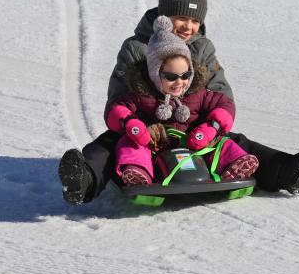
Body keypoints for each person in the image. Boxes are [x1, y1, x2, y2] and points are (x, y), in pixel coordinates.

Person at [59, 0, 299, 204]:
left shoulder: (202, 49)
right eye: (181, 18)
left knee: (237, 142)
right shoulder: (136, 47)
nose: (188, 26)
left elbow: (222, 97)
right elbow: (118, 99)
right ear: (165, 16)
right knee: (109, 145)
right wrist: (137, 126)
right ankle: (83, 180)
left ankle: (289, 172)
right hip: (146, 132)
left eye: (195, 20)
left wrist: (210, 127)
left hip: (195, 131)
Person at [107, 16, 258, 185]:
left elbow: (225, 104)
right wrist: (132, 124)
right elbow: (116, 108)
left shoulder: (197, 93)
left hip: (194, 145)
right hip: (155, 148)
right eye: (171, 77)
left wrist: (210, 128)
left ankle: (234, 165)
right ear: (155, 74)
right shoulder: (142, 94)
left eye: (186, 75)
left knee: (221, 141)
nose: (180, 82)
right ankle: (137, 171)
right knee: (129, 143)